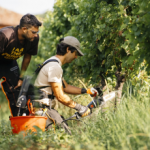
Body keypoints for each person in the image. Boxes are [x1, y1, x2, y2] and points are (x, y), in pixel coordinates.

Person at [34, 36, 98, 132]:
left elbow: (65, 87)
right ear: (68, 49)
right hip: (42, 110)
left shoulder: (52, 62)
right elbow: (60, 96)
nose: (76, 57)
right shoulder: (54, 67)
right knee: (65, 135)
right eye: (75, 53)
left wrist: (86, 91)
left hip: (44, 109)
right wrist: (80, 108)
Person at [0, 14, 42, 117]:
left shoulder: (33, 39)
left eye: (37, 32)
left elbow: (27, 56)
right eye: (33, 32)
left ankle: (19, 121)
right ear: (24, 29)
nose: (36, 35)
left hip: (10, 63)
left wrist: (21, 77)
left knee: (17, 91)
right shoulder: (5, 35)